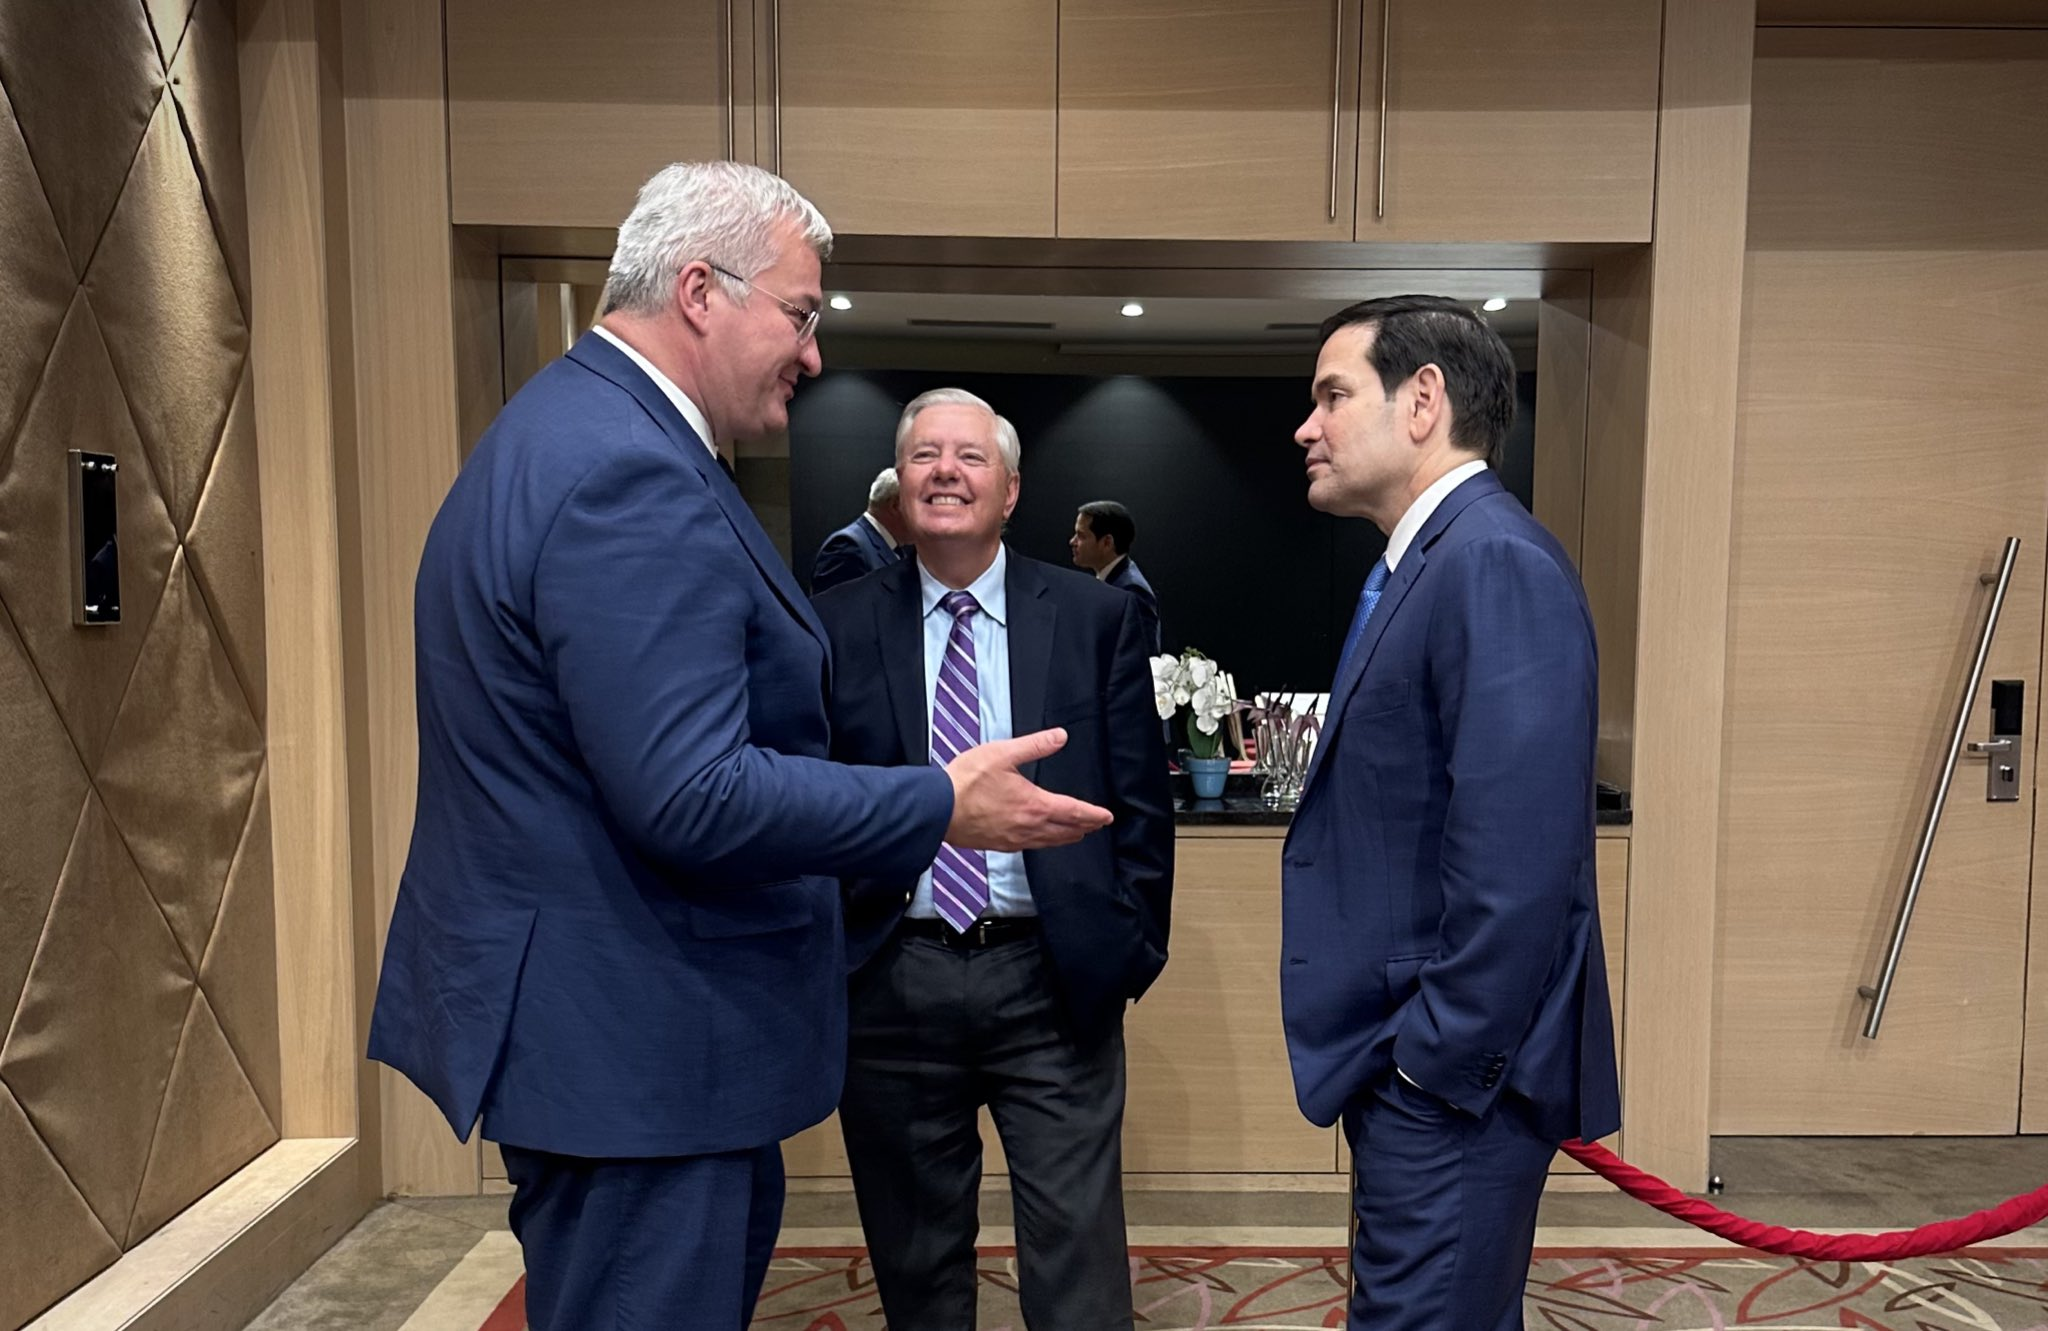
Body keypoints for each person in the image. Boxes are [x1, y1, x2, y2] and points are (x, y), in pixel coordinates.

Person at [365, 163, 1111, 1331]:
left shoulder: (568, 427)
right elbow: (691, 790)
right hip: (640, 1047)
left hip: (618, 1034)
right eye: (800, 314)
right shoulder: (627, 471)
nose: (812, 354)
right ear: (701, 290)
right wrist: (935, 802)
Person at [1281, 296, 1618, 1330]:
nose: (1305, 427)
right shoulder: (1431, 558)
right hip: (1417, 1075)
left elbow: (1517, 864)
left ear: (1422, 399)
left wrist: (1432, 1065)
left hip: (1451, 1086)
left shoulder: (1490, 560)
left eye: (1332, 395)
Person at [813, 388, 1173, 1331]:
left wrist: (1128, 949)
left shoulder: (1095, 616)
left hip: (1052, 977)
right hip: (892, 979)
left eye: (970, 456)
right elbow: (812, 801)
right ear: (900, 486)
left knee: (1078, 1268)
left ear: (1010, 489)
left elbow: (1143, 804)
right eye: (924, 455)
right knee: (918, 1268)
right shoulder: (835, 624)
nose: (946, 471)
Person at [1069, 498, 1161, 655]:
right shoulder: (1112, 580)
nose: (1072, 541)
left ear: (1107, 542)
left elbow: (1143, 658)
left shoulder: (1132, 591)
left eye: (1081, 536)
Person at [811, 465, 911, 592]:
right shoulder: (847, 547)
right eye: (919, 505)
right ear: (895, 506)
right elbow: (835, 603)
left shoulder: (895, 550)